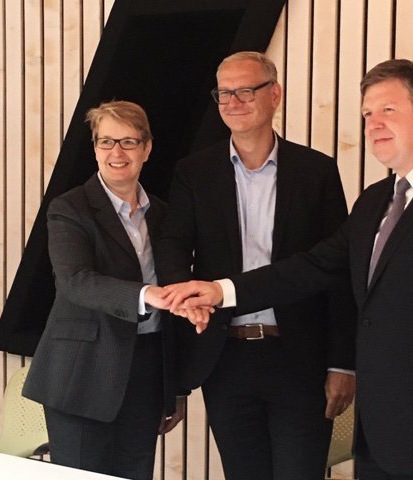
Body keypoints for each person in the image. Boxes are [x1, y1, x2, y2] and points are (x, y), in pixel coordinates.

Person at [166, 59, 413, 480]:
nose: (374, 124)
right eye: (367, 113)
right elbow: (313, 267)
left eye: (388, 110)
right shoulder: (375, 201)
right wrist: (222, 291)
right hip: (379, 433)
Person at [154, 51, 356, 480]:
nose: (233, 102)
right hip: (224, 356)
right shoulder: (194, 172)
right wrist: (185, 297)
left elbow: (338, 269)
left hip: (300, 357)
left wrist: (343, 363)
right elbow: (173, 245)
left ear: (275, 94)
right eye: (224, 93)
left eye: (245, 90)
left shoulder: (317, 171)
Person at [23, 100, 183, 480]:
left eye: (128, 141)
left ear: (147, 148)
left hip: (146, 370)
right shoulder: (69, 208)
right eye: (106, 141)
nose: (116, 152)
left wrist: (173, 386)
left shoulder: (164, 214)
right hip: (83, 372)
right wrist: (146, 294)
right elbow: (75, 281)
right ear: (95, 148)